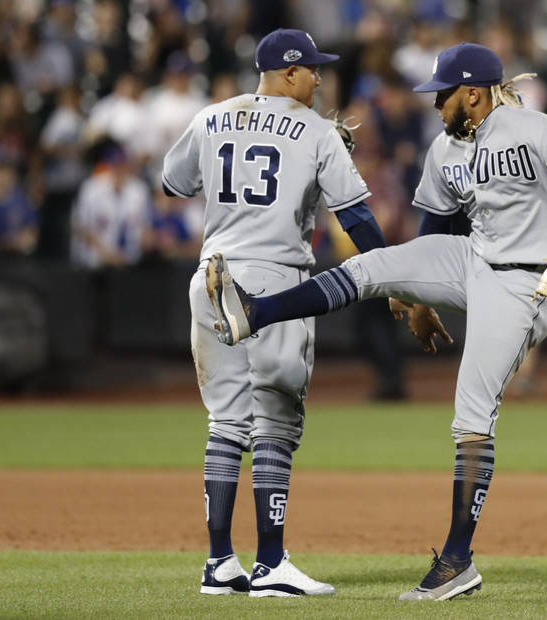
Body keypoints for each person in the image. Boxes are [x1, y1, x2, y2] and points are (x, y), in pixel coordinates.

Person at [207, 42, 547, 600]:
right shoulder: (445, 147)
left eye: (442, 93)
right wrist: (417, 296)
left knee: (471, 411)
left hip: (527, 283)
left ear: (472, 92)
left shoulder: (533, 126)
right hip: (472, 259)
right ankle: (255, 313)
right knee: (373, 265)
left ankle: (457, 561)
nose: (434, 102)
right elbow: (434, 226)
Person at [162, 29, 389, 597]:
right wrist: (393, 274)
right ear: (288, 73)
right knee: (276, 421)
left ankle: (220, 562)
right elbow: (356, 219)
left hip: (212, 275)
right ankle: (270, 564)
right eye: (312, 69)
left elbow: (172, 183)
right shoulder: (314, 131)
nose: (319, 78)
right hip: (275, 281)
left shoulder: (212, 116)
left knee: (226, 421)